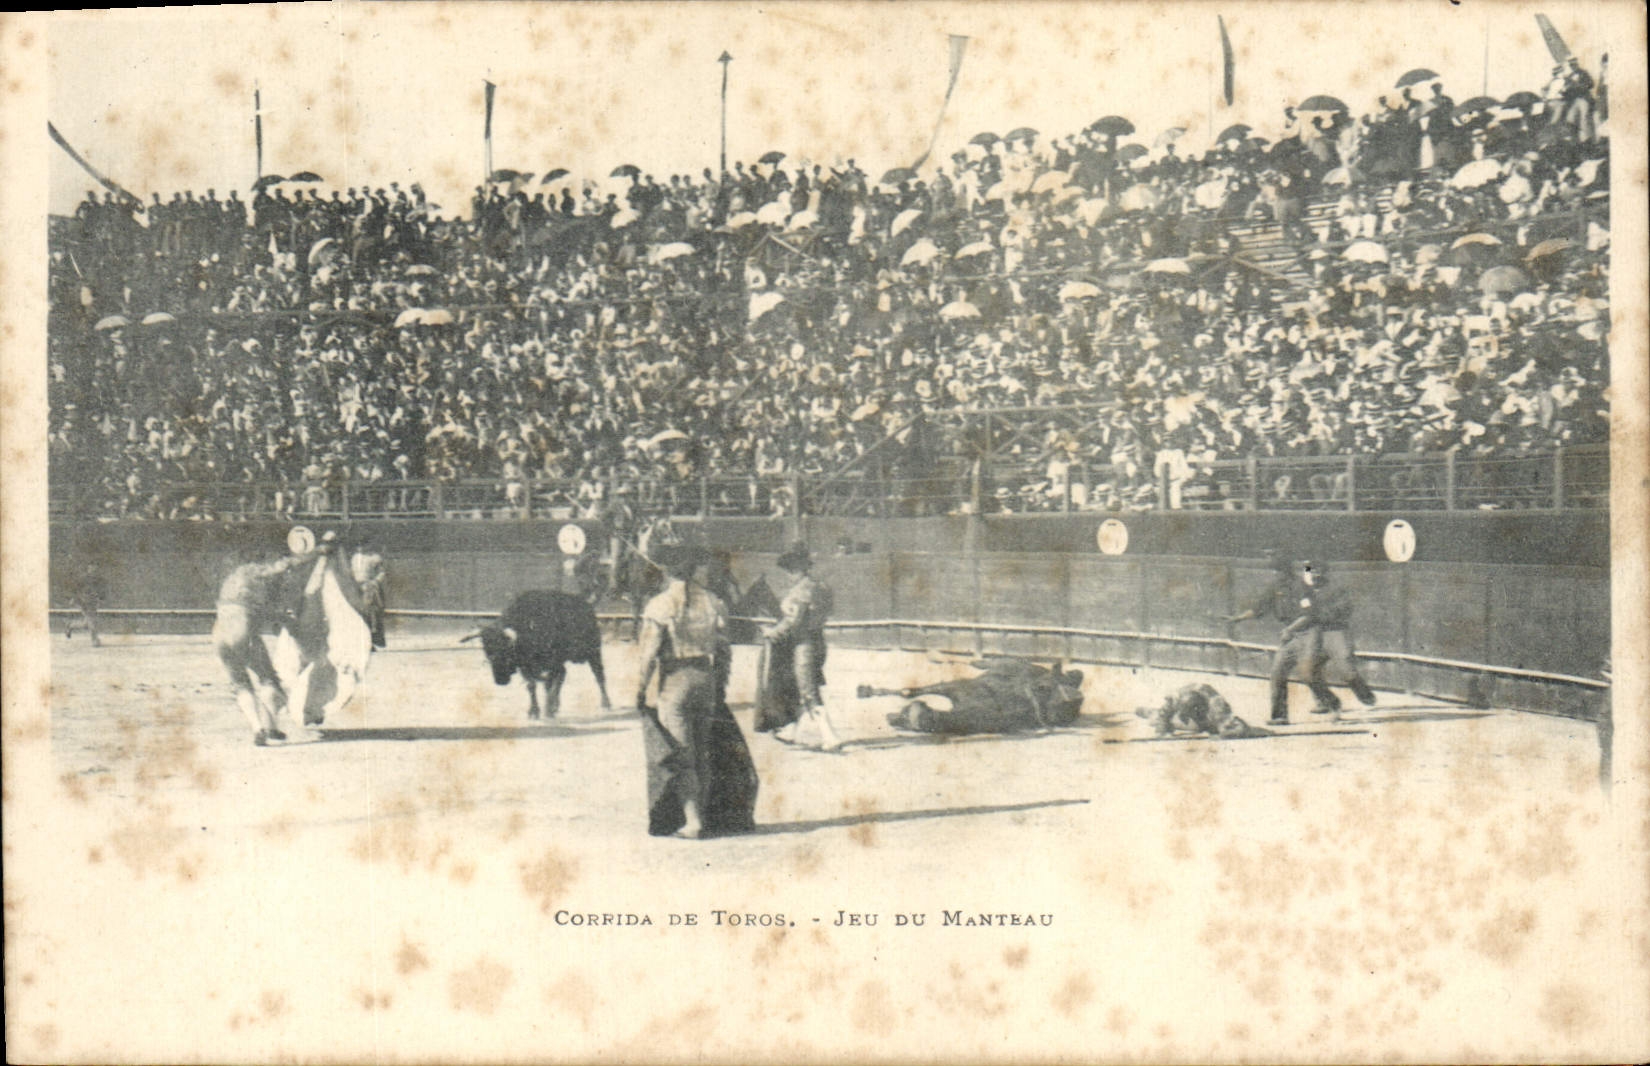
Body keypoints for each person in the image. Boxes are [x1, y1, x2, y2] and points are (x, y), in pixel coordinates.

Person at [634, 547, 758, 839]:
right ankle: (702, 815)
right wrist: (721, 684)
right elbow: (725, 650)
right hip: (707, 678)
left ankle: (694, 822)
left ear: (667, 570)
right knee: (703, 752)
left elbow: (649, 654)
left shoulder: (660, 604)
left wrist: (640, 689)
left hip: (675, 679)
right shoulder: (713, 601)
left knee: (681, 755)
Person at [755, 542, 841, 750]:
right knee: (797, 686)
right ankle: (791, 730)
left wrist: (772, 633)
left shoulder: (803, 589)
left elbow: (793, 621)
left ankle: (830, 736)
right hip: (817, 640)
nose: (788, 575)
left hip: (804, 645)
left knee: (807, 689)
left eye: (791, 570)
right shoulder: (821, 586)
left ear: (800, 569)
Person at [1225, 549, 1323, 726]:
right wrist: (1237, 619)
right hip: (1291, 636)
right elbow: (1258, 609)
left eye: (1278, 571)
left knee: (1308, 673)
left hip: (1309, 633)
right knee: (1277, 673)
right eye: (1275, 571)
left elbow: (1309, 615)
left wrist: (1290, 629)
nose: (1276, 574)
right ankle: (1279, 716)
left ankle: (1329, 703)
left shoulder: (1301, 586)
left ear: (1287, 571)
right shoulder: (1274, 588)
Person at [876, 657, 1084, 735]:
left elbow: (1002, 665)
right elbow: (1050, 717)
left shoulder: (1039, 675)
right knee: (974, 713)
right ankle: (920, 711)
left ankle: (916, 707)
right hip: (1000, 700)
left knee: (961, 697)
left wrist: (985, 665)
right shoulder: (1041, 677)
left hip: (994, 696)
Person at [1296, 560, 1377, 716]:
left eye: (1317, 570)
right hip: (1314, 633)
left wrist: (1319, 615)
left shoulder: (1335, 589)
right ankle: (1328, 702)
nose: (1313, 574)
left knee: (1347, 671)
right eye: (1310, 571)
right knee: (1308, 672)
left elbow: (1345, 608)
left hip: (1335, 631)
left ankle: (1363, 693)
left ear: (1324, 572)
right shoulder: (1304, 591)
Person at [1136, 683, 1265, 738]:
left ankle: (1152, 713)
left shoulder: (1216, 703)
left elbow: (1233, 723)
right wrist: (1162, 730)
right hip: (1179, 710)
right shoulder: (1178, 696)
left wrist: (1229, 729)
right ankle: (1149, 712)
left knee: (1195, 727)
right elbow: (1166, 711)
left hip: (1204, 718)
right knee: (1156, 719)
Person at [348, 539, 388, 649]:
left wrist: (374, 582)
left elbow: (382, 572)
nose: (360, 547)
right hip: (356, 588)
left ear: (368, 545)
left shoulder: (374, 557)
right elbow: (351, 572)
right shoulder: (354, 557)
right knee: (357, 615)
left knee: (370, 616)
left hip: (369, 588)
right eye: (358, 545)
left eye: (363, 545)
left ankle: (370, 642)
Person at [63, 559, 110, 647]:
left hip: (93, 603)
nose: (94, 570)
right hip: (82, 602)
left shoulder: (99, 580)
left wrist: (102, 597)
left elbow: (102, 592)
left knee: (87, 623)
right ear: (88, 568)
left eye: (96, 568)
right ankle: (94, 640)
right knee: (91, 620)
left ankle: (71, 625)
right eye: (92, 568)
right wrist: (73, 598)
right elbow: (74, 589)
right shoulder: (83, 578)